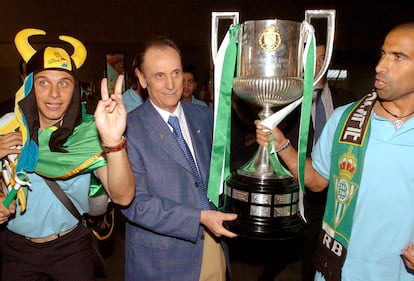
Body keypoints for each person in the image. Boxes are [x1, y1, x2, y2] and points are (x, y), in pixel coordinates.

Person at [256, 22, 414, 281]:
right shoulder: (346, 119)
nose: (380, 66)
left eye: (398, 57)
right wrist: (281, 143)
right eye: (383, 54)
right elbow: (316, 181)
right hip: (340, 271)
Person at [0, 28, 135, 281]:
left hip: (71, 249)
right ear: (29, 85)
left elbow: (123, 196)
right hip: (16, 250)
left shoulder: (88, 133)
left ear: (75, 88)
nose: (54, 94)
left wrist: (114, 141)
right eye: (43, 83)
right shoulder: (7, 126)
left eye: (64, 83)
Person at [121, 36, 238, 281]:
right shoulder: (128, 129)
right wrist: (199, 217)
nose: (172, 84)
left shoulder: (204, 117)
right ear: (142, 79)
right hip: (160, 262)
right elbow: (135, 205)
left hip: (212, 248)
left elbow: (217, 176)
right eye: (159, 75)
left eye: (176, 72)